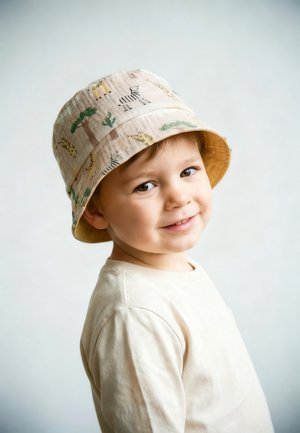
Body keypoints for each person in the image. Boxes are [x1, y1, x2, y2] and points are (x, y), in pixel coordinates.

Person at [52, 69, 274, 433]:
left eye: (188, 171)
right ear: (96, 210)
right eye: (146, 185)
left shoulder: (177, 272)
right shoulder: (133, 312)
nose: (179, 197)